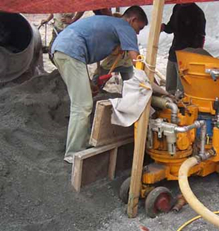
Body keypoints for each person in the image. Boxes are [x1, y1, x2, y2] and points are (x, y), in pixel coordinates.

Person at [51, 6, 148, 163]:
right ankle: (74, 153)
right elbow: (135, 58)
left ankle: (80, 143)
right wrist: (144, 81)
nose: (137, 33)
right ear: (133, 20)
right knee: (82, 105)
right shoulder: (124, 26)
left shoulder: (111, 23)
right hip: (70, 51)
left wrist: (89, 83)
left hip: (63, 49)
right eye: (139, 28)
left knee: (82, 101)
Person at [161, 3, 206, 95]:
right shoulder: (177, 7)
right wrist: (164, 27)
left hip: (186, 56)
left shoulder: (197, 13)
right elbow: (171, 27)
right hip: (173, 53)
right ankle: (169, 106)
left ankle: (180, 107)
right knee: (170, 87)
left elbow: (201, 37)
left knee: (181, 91)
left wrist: (195, 56)